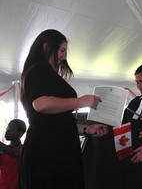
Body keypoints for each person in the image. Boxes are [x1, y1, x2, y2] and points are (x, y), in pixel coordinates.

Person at [19, 29, 108, 189]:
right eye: (62, 50)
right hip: (48, 150)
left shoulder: (43, 73)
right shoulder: (39, 69)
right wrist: (80, 101)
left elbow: (57, 121)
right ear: (46, 47)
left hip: (55, 146)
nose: (64, 56)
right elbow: (42, 104)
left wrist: (86, 129)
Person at [86, 63, 142, 189]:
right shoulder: (134, 102)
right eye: (137, 82)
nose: (139, 87)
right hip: (130, 154)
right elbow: (122, 125)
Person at [0, 119, 26, 189]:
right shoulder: (4, 149)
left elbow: (14, 154)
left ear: (20, 133)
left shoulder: (24, 149)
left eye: (11, 129)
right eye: (7, 128)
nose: (7, 131)